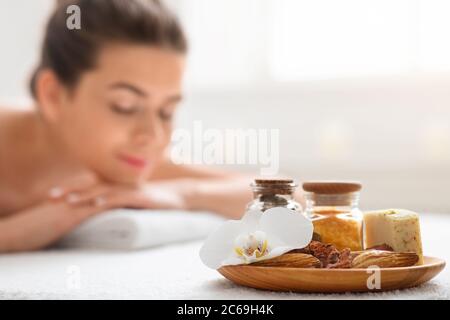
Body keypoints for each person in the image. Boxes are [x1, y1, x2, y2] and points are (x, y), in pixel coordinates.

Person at [0, 0, 255, 252]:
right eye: (125, 106)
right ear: (53, 95)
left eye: (166, 112)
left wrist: (181, 194)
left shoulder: (130, 165)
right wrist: (20, 231)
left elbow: (287, 195)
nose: (153, 136)